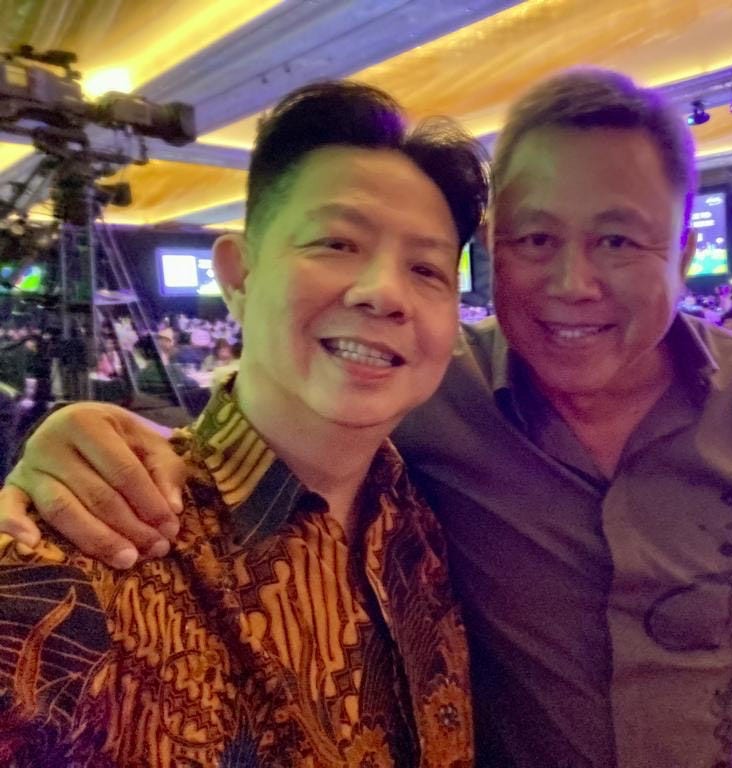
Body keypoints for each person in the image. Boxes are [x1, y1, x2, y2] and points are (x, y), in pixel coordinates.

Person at [1, 69, 732, 767]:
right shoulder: (429, 390)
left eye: (618, 240)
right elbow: (280, 418)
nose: (572, 283)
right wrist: (92, 441)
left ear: (682, 253)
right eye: (535, 240)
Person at [0, 81, 483, 767]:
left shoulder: (430, 519)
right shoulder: (65, 568)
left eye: (428, 269)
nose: (384, 292)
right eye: (337, 242)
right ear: (239, 275)